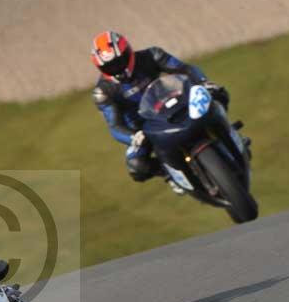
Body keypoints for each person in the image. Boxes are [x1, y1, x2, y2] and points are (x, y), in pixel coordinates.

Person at [90, 31, 230, 191]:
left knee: (218, 94)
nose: (117, 68)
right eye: (109, 66)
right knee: (136, 166)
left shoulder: (152, 55)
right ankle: (169, 174)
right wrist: (133, 137)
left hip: (172, 103)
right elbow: (114, 125)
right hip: (143, 129)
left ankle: (229, 134)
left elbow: (185, 69)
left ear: (128, 52)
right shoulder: (102, 92)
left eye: (120, 61)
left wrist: (204, 83)